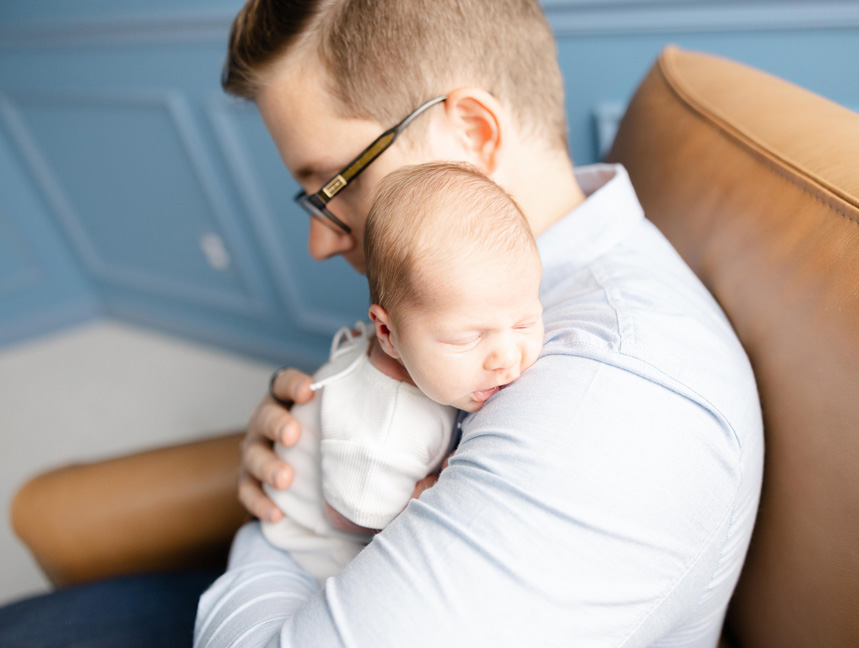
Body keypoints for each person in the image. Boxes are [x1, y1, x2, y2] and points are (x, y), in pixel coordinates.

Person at [196, 0, 764, 646]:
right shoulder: (468, 290)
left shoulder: (607, 402)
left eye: (335, 185)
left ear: (473, 135)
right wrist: (306, 448)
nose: (319, 245)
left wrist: (274, 536)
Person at [261, 161, 544, 585]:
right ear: (388, 333)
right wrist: (423, 494)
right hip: (312, 543)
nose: (506, 357)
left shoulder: (436, 356)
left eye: (524, 322)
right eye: (466, 338)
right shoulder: (388, 431)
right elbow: (348, 513)